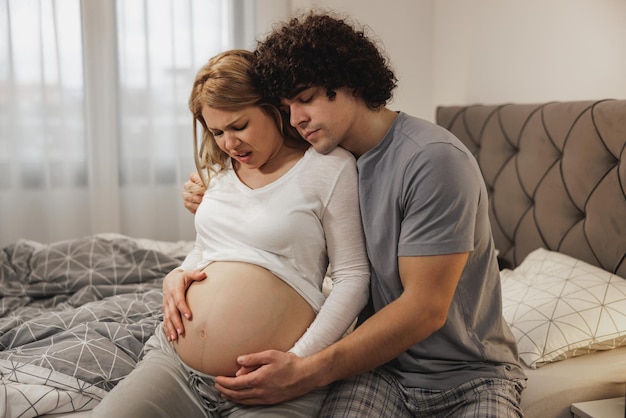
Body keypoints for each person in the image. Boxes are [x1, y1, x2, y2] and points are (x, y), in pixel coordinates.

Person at [177, 11, 528, 418]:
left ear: (350, 82)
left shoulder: (432, 160)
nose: (296, 119)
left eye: (306, 99)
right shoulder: (333, 161)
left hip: (468, 376)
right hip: (379, 367)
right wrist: (213, 195)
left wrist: (305, 371)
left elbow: (424, 309)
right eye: (287, 106)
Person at [91, 49, 370, 418]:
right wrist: (175, 276)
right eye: (217, 132)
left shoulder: (327, 168)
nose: (228, 144)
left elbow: (353, 278)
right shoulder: (221, 173)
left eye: (239, 126)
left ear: (274, 108)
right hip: (175, 365)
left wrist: (297, 364)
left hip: (271, 383)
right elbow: (207, 250)